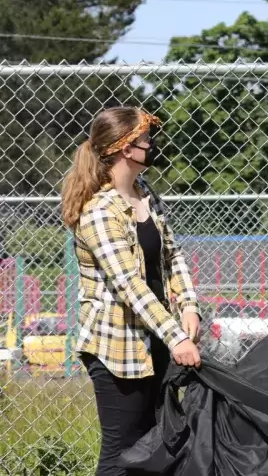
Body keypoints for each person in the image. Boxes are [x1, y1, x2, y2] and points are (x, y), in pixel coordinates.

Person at [60, 107, 202, 475]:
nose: (151, 145)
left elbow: (172, 255)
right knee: (122, 452)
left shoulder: (145, 194)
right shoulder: (99, 212)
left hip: (155, 337)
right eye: (145, 141)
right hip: (117, 348)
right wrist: (177, 339)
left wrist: (188, 305)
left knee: (156, 444)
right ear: (126, 148)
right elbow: (129, 285)